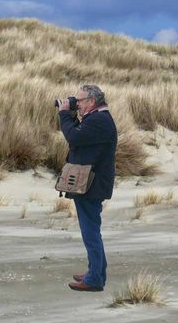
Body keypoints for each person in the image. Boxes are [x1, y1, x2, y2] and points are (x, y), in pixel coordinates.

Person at [58, 84, 117, 292]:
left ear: (92, 101)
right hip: (90, 183)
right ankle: (96, 272)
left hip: (91, 185)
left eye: (80, 101)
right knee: (92, 230)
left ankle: (94, 279)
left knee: (90, 231)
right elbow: (79, 137)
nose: (77, 104)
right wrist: (72, 116)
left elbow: (73, 137)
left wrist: (64, 115)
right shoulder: (97, 119)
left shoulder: (100, 120)